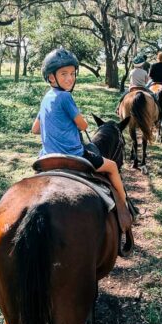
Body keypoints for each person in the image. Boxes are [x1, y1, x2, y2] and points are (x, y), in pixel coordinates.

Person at [31, 48, 133, 232]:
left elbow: (35, 129)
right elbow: (83, 125)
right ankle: (124, 203)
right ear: (51, 78)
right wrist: (74, 122)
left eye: (72, 73)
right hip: (73, 154)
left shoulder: (46, 98)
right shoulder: (65, 96)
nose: (70, 78)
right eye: (64, 74)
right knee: (110, 166)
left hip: (47, 155)